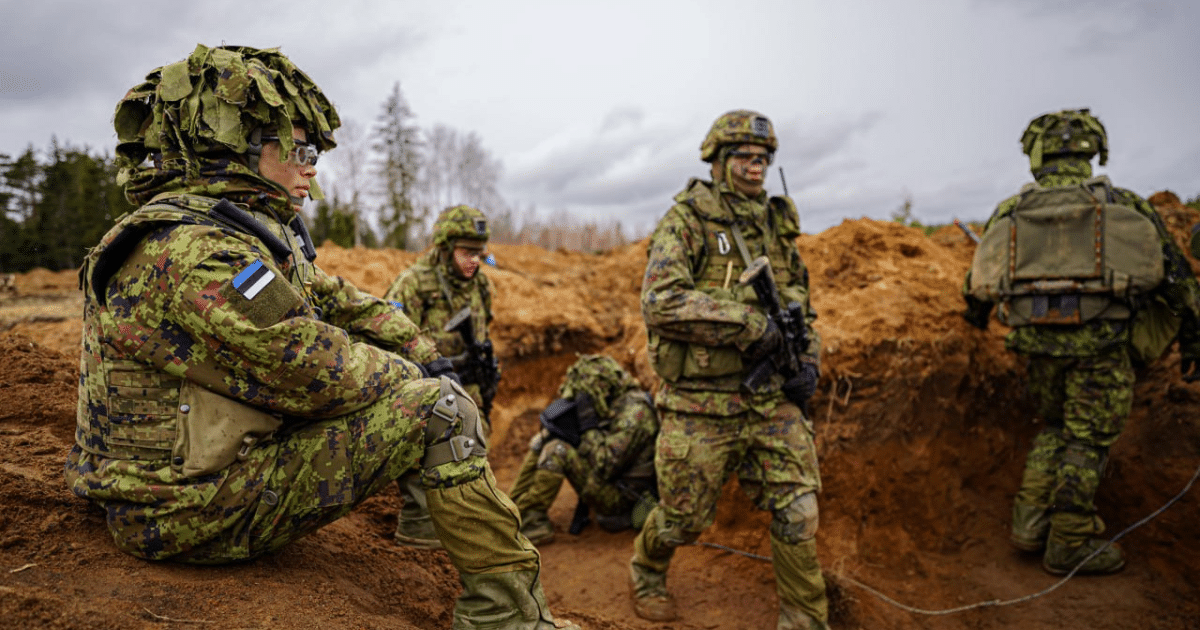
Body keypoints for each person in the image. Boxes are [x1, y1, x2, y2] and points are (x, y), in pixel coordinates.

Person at [64, 44, 576, 629]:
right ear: (241, 149)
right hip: (184, 513)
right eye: (300, 148)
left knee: (429, 387)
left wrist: (422, 350)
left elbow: (333, 298)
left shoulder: (230, 234)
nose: (313, 164)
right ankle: (510, 622)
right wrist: (422, 379)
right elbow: (314, 370)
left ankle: (430, 532)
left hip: (181, 489)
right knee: (441, 412)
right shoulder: (195, 251)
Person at [963, 108, 1200, 575]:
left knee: (1055, 427)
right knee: (1089, 440)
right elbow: (1179, 281)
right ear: (1093, 150)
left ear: (1037, 153)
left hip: (1038, 349)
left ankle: (1028, 527)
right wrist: (1192, 340)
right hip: (1103, 348)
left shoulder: (1012, 210)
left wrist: (975, 319)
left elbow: (975, 284)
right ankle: (1068, 543)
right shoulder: (1124, 203)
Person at [630, 110, 828, 629]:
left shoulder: (777, 226)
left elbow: (802, 308)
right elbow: (660, 302)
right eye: (743, 157)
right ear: (718, 163)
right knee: (683, 520)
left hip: (772, 401)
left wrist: (808, 361)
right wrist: (748, 324)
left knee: (798, 511)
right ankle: (647, 568)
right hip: (701, 402)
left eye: (762, 158)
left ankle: (805, 620)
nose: (755, 167)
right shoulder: (688, 220)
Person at [383, 205, 501, 548]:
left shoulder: (479, 285)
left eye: (479, 253)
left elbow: (484, 330)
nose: (474, 261)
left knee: (477, 456)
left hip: (471, 388)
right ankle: (420, 524)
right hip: (429, 389)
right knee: (427, 456)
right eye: (466, 252)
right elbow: (390, 339)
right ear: (446, 248)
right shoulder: (413, 283)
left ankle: (467, 524)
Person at [507, 354, 658, 545]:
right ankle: (511, 509)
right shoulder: (615, 401)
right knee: (545, 438)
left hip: (621, 500)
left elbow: (605, 465)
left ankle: (532, 522)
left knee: (558, 450)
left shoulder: (635, 415)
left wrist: (588, 426)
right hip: (611, 481)